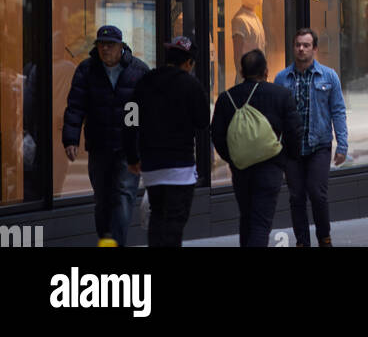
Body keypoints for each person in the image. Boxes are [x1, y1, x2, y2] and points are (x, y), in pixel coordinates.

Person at [62, 24, 149, 246]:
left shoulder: (138, 71)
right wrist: (71, 139)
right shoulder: (87, 70)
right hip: (99, 145)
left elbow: (148, 108)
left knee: (123, 195)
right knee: (102, 199)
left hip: (128, 148)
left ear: (121, 47)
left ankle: (115, 243)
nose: (105, 49)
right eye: (101, 44)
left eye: (110, 45)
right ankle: (106, 238)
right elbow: (75, 106)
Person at [211, 48, 302, 247]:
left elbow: (216, 135)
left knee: (247, 217)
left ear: (242, 72)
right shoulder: (281, 95)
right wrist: (286, 159)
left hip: (241, 169)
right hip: (271, 168)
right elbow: (294, 132)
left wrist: (234, 158)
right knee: (261, 222)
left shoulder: (227, 98)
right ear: (266, 71)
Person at [125, 36, 210, 247]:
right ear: (189, 62)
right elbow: (202, 122)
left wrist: (132, 157)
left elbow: (129, 120)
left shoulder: (145, 82)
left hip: (152, 167)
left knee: (157, 217)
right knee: (174, 222)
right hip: (180, 168)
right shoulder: (192, 85)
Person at [274, 28, 347, 247]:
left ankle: (324, 238)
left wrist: (342, 144)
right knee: (296, 197)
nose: (301, 49)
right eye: (298, 45)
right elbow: (276, 115)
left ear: (314, 49)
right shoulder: (282, 78)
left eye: (306, 45)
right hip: (292, 149)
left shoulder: (328, 76)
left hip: (319, 146)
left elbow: (338, 110)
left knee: (317, 194)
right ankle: (302, 242)